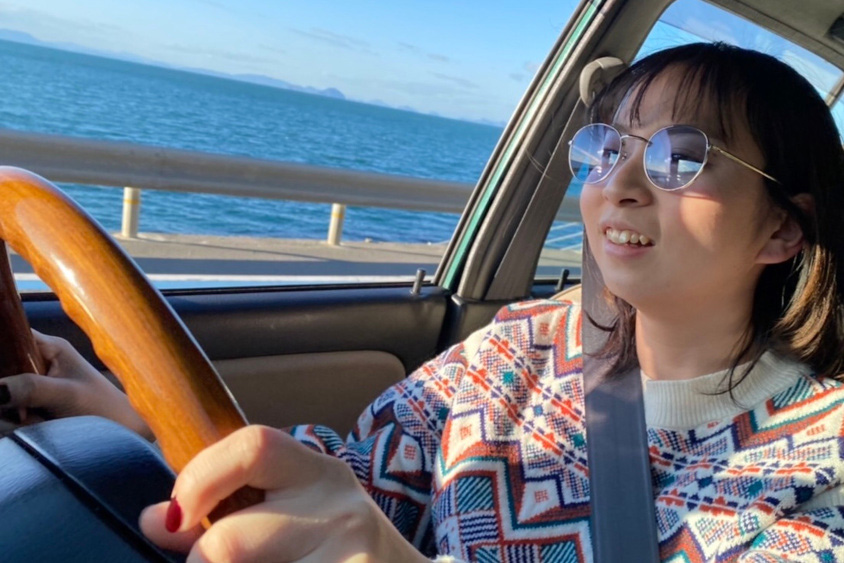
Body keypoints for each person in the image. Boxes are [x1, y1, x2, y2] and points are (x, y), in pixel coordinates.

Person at [3, 42, 844, 562]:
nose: (616, 183)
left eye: (680, 157)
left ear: (781, 228)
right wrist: (138, 424)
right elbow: (361, 478)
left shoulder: (817, 465)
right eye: (605, 147)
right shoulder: (521, 345)